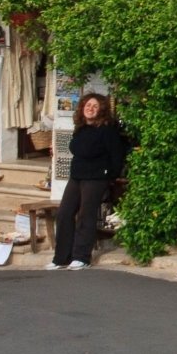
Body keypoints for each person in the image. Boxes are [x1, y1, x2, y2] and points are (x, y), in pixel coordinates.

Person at [48, 93, 127, 271]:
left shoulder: (107, 130)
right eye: (87, 105)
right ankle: (61, 257)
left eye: (95, 106)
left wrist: (110, 176)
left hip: (96, 177)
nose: (90, 109)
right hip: (77, 176)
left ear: (101, 111)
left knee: (86, 214)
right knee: (64, 213)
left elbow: (117, 155)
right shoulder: (81, 128)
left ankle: (81, 257)